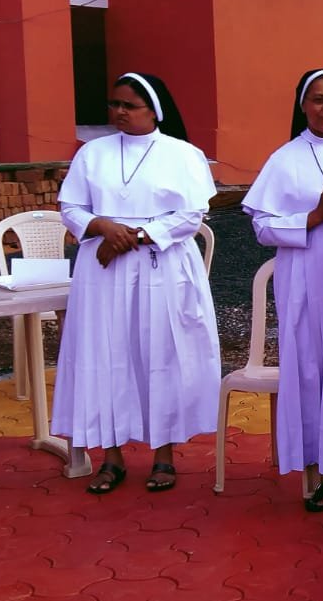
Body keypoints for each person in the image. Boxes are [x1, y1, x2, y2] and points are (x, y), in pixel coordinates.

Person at [53, 72, 220, 495]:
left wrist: (135, 236)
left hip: (161, 267)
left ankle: (163, 456)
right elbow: (71, 206)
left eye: (129, 105)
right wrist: (103, 227)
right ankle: (111, 457)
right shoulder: (93, 153)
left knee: (159, 354)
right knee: (105, 354)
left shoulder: (183, 154)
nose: (119, 112)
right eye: (114, 105)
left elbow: (190, 215)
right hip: (103, 269)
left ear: (154, 111)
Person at [242, 68, 323, 512]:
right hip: (301, 274)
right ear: (303, 105)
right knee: (311, 369)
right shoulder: (283, 159)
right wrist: (309, 220)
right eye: (319, 99)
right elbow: (261, 228)